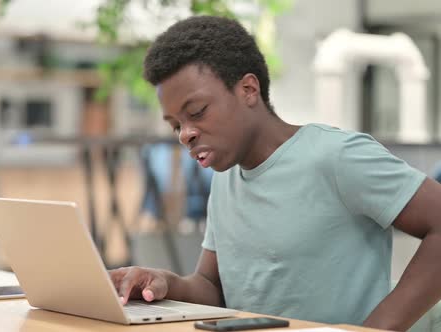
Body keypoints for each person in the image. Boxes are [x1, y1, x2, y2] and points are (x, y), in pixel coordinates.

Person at [108, 15, 441, 331]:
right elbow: (213, 288)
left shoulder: (336, 157)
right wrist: (165, 282)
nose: (185, 134)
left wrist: (374, 330)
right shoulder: (225, 177)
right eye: (176, 125)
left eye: (197, 112)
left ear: (248, 90)